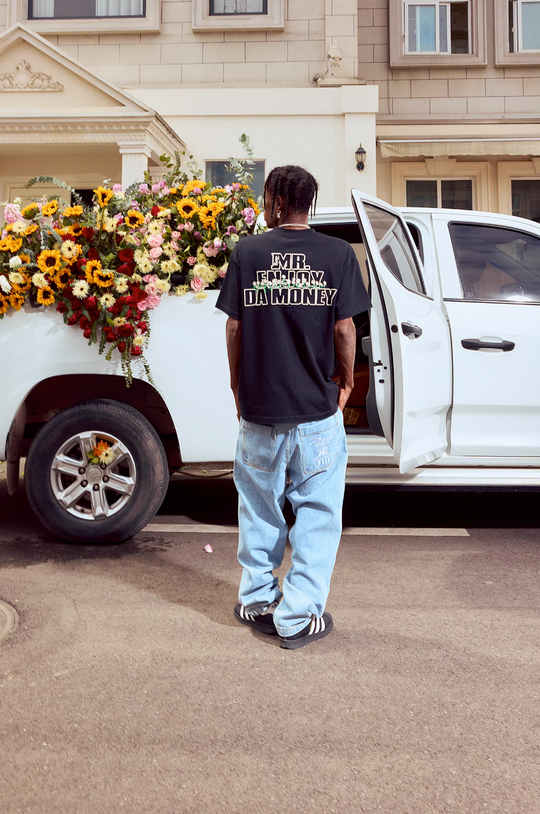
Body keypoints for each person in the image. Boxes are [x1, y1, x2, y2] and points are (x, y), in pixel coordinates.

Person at [216, 165, 371, 649]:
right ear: (310, 202)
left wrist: (239, 388)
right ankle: (299, 616)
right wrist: (345, 382)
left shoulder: (247, 252)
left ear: (276, 200)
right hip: (316, 413)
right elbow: (346, 330)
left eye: (266, 198)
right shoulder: (337, 253)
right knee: (318, 514)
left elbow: (235, 329)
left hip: (260, 411)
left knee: (260, 511)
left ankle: (259, 601)